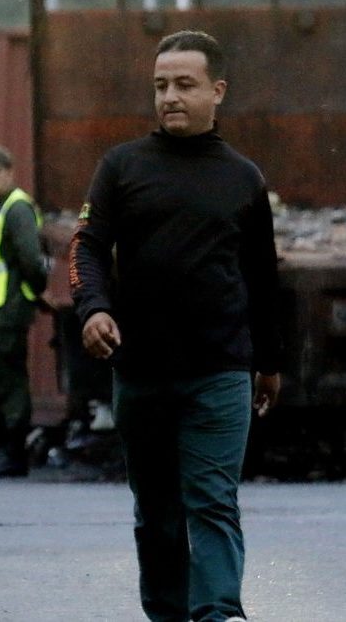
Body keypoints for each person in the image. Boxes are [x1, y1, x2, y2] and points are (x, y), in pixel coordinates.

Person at [69, 30, 282, 622]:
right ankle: (166, 612)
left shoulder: (243, 178)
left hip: (220, 371)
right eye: (161, 86)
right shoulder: (121, 166)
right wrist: (95, 309)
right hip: (141, 374)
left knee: (212, 500)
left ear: (217, 91)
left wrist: (269, 362)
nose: (170, 97)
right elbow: (87, 247)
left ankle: (219, 612)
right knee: (157, 510)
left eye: (184, 85)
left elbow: (264, 279)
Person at [0, 145, 48, 478]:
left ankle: (13, 455)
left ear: (10, 173)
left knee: (9, 382)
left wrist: (31, 293)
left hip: (7, 310)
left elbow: (32, 260)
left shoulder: (16, 209)